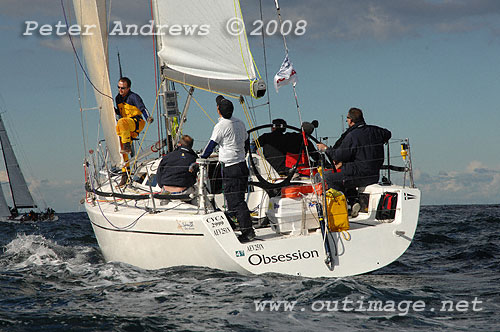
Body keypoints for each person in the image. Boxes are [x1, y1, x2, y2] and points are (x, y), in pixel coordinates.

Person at [201, 95, 255, 243]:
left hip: (231, 167)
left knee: (235, 201)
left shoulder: (221, 126)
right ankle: (240, 227)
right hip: (241, 165)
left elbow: (211, 145)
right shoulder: (241, 123)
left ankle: (248, 231)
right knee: (236, 200)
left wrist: (201, 157)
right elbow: (246, 142)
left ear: (218, 110)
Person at [317, 107, 391, 209]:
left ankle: (342, 208)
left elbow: (338, 155)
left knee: (326, 176)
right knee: (344, 172)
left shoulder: (352, 136)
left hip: (359, 174)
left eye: (347, 119)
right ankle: (353, 202)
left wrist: (325, 149)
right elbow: (388, 134)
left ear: (350, 120)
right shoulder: (376, 131)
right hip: (374, 175)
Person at [115, 77, 154, 185]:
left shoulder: (134, 97)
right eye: (118, 87)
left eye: (123, 88)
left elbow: (142, 108)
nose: (120, 90)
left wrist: (148, 117)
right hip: (126, 127)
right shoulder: (117, 98)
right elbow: (120, 112)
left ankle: (127, 146)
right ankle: (125, 174)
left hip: (136, 122)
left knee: (122, 122)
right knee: (120, 149)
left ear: (128, 88)